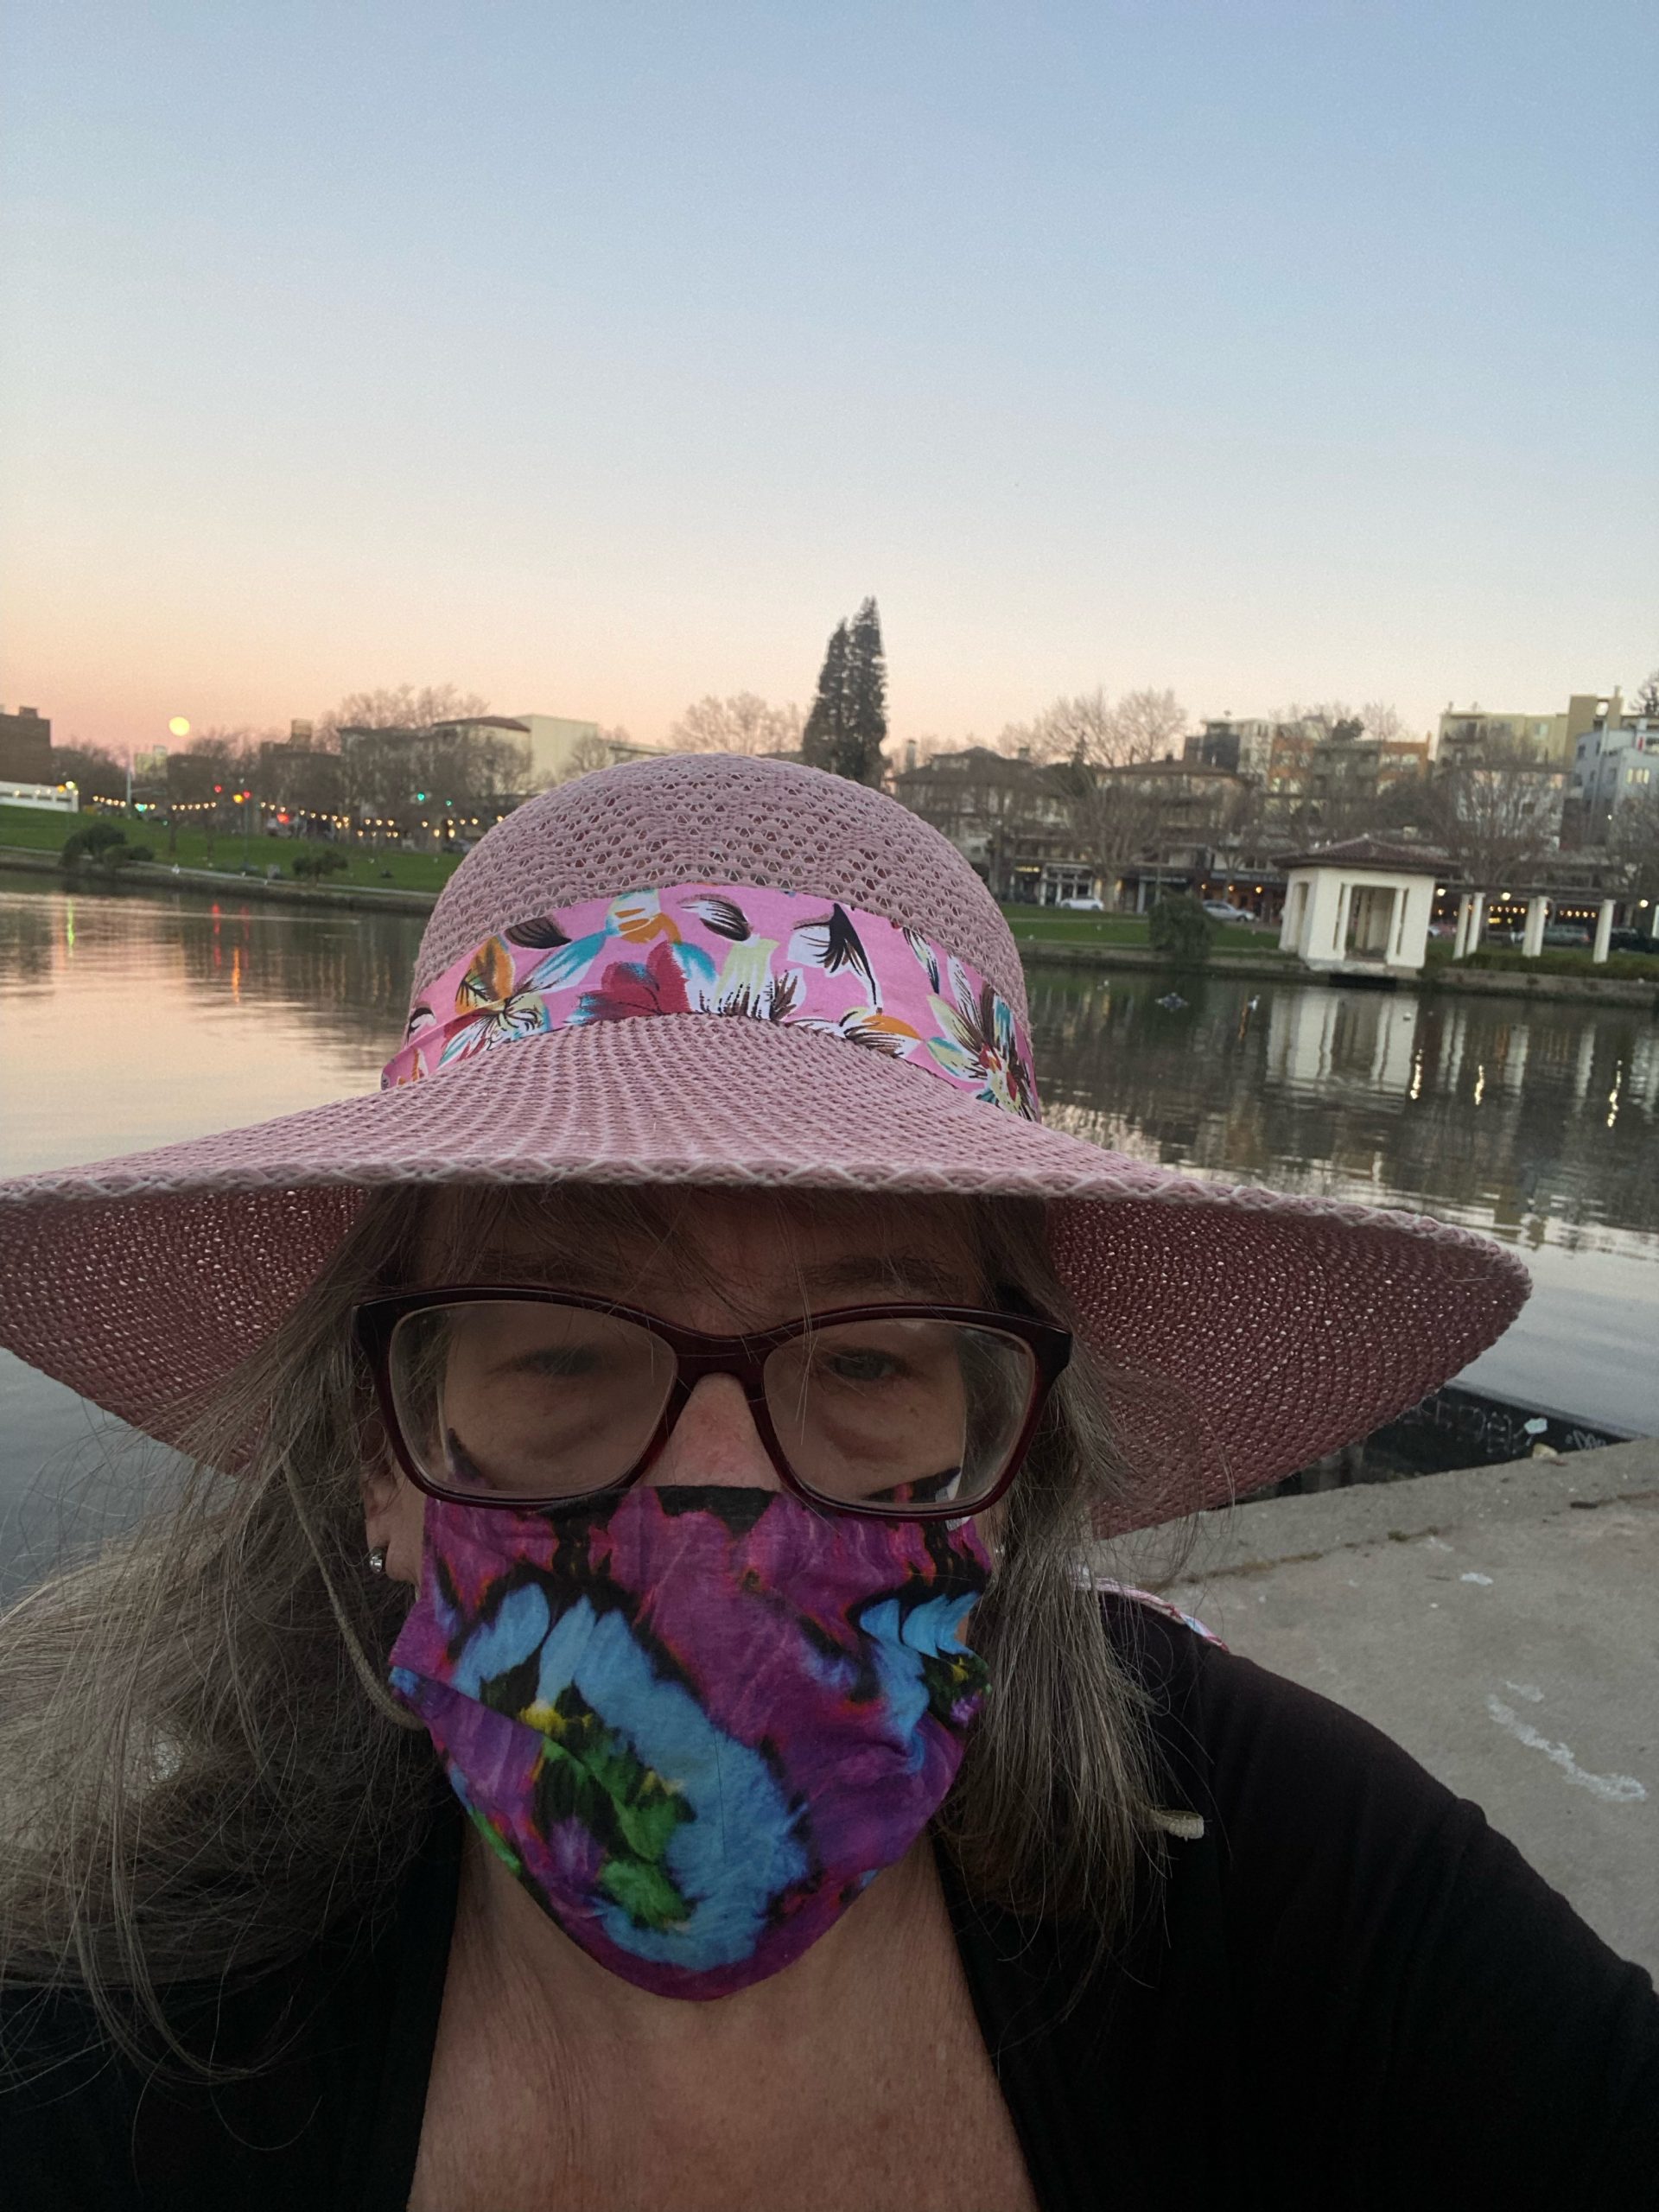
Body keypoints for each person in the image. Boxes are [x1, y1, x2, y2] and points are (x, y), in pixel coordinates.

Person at [0, 753, 1653, 2212]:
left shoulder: (1285, 1886)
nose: (719, 1506)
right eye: (564, 1353)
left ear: (1009, 1465)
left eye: (868, 1360)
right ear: (380, 1458)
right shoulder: (112, 2057)